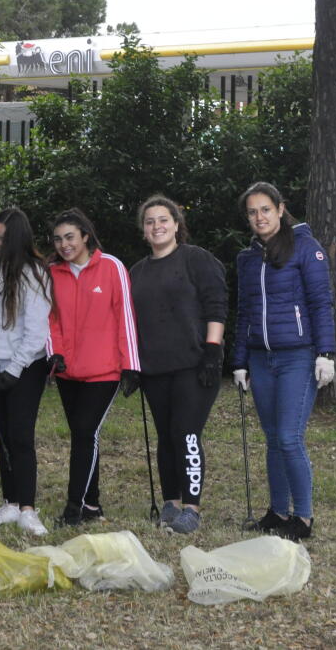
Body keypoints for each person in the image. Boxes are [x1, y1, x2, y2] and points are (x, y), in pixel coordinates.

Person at [232, 182, 335, 542]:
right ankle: (277, 511)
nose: (259, 217)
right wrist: (240, 361)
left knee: (290, 438)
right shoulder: (247, 258)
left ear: (280, 208)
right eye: (252, 212)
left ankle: (303, 518)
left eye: (265, 209)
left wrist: (326, 353)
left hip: (298, 356)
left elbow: (321, 302)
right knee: (273, 439)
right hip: (261, 360)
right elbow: (244, 312)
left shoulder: (306, 248)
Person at [129, 196, 227, 534]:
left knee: (186, 434)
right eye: (150, 221)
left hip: (195, 364)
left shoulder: (196, 259)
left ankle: (192, 508)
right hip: (154, 367)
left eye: (163, 219)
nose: (157, 226)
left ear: (176, 224)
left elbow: (216, 304)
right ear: (143, 230)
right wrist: (132, 364)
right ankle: (170, 503)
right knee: (165, 437)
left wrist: (212, 351)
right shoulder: (137, 272)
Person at [47, 208, 140, 528]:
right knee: (84, 435)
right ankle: (92, 504)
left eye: (70, 237)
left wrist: (131, 365)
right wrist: (54, 353)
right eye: (58, 239)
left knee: (85, 433)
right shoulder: (51, 272)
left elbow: (125, 316)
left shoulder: (112, 267)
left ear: (85, 236)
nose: (64, 244)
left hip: (104, 371)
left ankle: (74, 508)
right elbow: (50, 319)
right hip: (67, 371)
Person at [0, 208, 51, 536]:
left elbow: (36, 332)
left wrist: (15, 369)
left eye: (2, 238)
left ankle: (28, 509)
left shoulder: (34, 273)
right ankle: (10, 502)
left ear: (18, 240)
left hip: (26, 366)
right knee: (2, 436)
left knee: (20, 435)